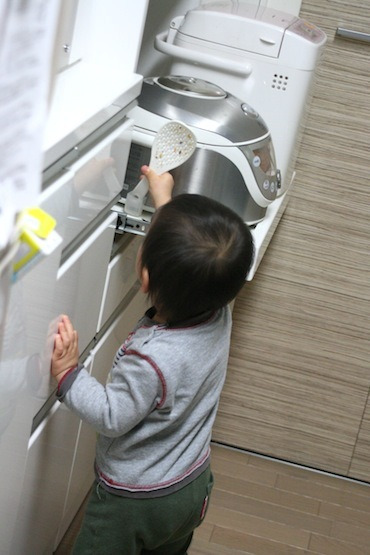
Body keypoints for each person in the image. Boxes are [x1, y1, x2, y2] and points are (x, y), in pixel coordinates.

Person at [51, 165, 254, 554]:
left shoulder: (151, 360)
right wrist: (163, 198)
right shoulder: (220, 308)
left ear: (144, 277)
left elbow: (113, 415)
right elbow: (187, 255)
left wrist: (68, 374)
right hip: (189, 487)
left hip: (134, 501)